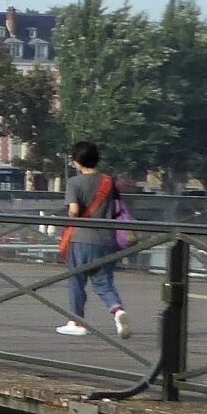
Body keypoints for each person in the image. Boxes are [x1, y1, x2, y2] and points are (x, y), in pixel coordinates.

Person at [56, 141, 131, 338]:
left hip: (81, 238)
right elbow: (116, 208)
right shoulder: (108, 181)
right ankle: (117, 311)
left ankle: (77, 321)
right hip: (107, 239)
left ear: (78, 160)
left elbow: (73, 210)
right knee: (103, 282)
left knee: (76, 280)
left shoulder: (74, 183)